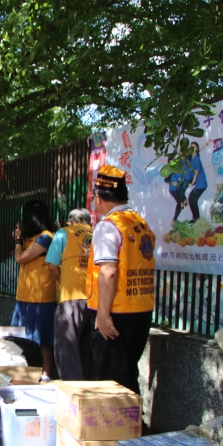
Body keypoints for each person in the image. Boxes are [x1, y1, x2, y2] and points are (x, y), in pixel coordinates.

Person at [80, 165, 155, 395]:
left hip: (115, 312)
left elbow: (109, 272)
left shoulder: (107, 226)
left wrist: (103, 315)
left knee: (108, 381)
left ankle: (114, 420)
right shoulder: (140, 223)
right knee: (128, 373)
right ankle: (134, 417)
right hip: (141, 310)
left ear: (99, 197)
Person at [12, 200, 57, 379]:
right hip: (25, 298)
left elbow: (21, 258)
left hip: (40, 299)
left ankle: (45, 375)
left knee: (43, 341)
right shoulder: (32, 239)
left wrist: (18, 241)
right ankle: (26, 375)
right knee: (22, 339)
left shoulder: (46, 238)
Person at [45, 208, 92, 380]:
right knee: (86, 349)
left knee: (66, 349)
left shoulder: (63, 233)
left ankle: (73, 389)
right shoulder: (97, 235)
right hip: (96, 299)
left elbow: (52, 266)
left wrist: (61, 279)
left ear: (70, 222)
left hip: (71, 297)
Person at [184, 141, 209, 223]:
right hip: (198, 184)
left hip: (201, 184)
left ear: (196, 148)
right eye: (191, 147)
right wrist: (206, 144)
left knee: (192, 200)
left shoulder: (196, 158)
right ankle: (195, 218)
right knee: (191, 199)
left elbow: (196, 173)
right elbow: (199, 150)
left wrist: (192, 183)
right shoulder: (192, 157)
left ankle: (196, 219)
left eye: (194, 147)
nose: (192, 148)